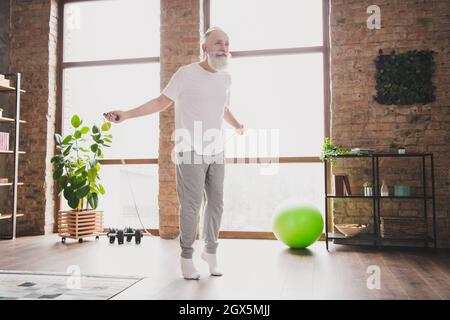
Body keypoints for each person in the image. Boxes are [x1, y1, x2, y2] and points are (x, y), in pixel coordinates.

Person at [104, 27, 244, 280]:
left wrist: (237, 125)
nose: (224, 47)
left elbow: (222, 107)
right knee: (191, 206)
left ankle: (210, 253)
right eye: (218, 43)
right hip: (189, 149)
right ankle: (186, 257)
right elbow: (160, 102)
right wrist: (126, 114)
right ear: (204, 48)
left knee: (217, 203)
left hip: (217, 149)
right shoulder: (186, 74)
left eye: (226, 43)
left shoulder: (226, 79)